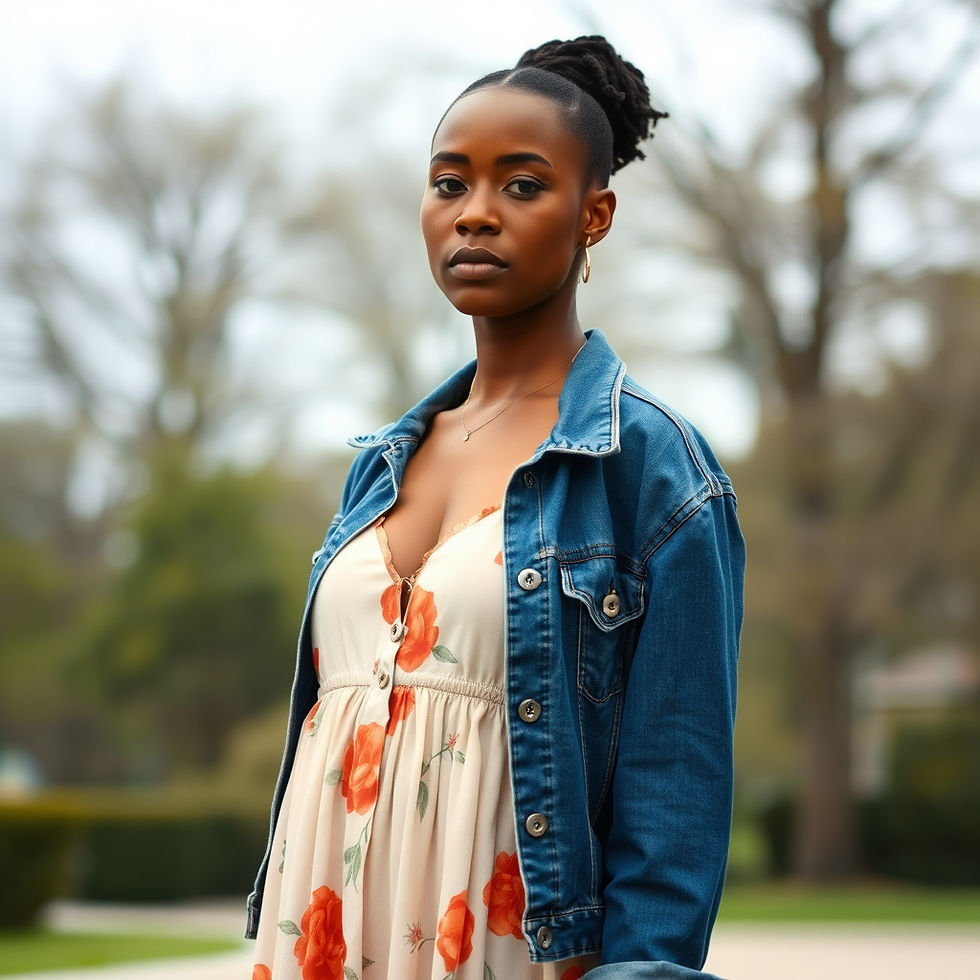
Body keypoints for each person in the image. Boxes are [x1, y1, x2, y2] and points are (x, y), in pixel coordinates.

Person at [247, 35, 744, 980]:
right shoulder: (383, 465)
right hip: (323, 933)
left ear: (593, 215)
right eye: (449, 183)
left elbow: (676, 783)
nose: (476, 214)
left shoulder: (655, 472)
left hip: (508, 946)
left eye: (522, 185)